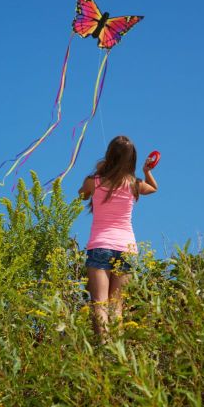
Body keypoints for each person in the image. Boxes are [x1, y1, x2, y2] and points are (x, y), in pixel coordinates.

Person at [78, 135, 158, 343]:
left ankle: (104, 349)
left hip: (100, 246)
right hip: (128, 249)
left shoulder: (93, 182)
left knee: (100, 303)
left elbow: (81, 195)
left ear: (109, 155)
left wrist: (100, 172)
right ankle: (117, 354)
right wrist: (147, 171)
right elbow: (154, 188)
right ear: (131, 160)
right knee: (116, 306)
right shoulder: (134, 185)